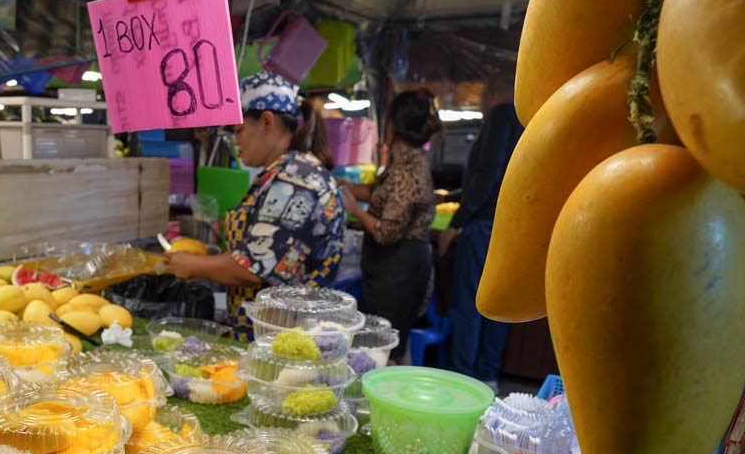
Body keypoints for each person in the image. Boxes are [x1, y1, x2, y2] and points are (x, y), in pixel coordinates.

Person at [165, 72, 346, 340]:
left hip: (286, 343)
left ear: (266, 121)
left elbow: (252, 267)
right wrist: (210, 254)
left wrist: (192, 265)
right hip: (266, 336)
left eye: (238, 131)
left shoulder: (296, 180)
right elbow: (261, 244)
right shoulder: (280, 173)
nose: (235, 142)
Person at [338, 89, 440, 362]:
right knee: (394, 344)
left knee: (386, 350)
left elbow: (386, 232)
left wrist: (354, 210)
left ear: (393, 125)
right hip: (393, 268)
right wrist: (344, 185)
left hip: (399, 271)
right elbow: (377, 194)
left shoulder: (409, 169)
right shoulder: (403, 163)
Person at [439, 73, 524, 388]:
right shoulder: (524, 119)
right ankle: (487, 377)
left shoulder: (501, 116)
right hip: (508, 228)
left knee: (470, 303)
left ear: (492, 93)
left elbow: (487, 176)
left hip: (483, 226)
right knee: (494, 305)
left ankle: (462, 379)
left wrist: (456, 222)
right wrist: (449, 197)